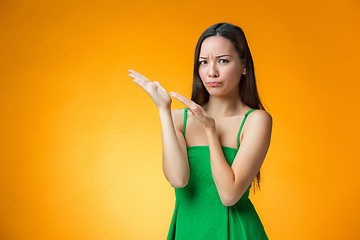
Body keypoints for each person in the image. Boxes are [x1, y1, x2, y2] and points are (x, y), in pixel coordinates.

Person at [128, 22, 272, 240]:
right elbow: (178, 179)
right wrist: (163, 111)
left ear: (244, 65)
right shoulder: (178, 120)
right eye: (203, 62)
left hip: (235, 231)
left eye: (223, 61)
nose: (211, 72)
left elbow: (229, 195)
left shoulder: (256, 121)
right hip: (188, 230)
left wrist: (210, 131)